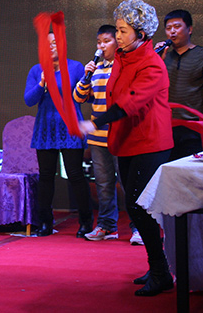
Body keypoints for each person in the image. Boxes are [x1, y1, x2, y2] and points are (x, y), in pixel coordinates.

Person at [79, 0, 174, 296]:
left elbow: (129, 102)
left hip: (149, 142)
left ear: (140, 33)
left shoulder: (152, 64)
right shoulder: (123, 56)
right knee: (136, 205)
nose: (117, 36)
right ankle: (158, 268)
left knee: (138, 206)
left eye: (122, 31)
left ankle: (161, 271)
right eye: (117, 30)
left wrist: (95, 122)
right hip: (128, 141)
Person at [74, 24, 142, 245]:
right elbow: (79, 97)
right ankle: (107, 225)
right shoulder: (96, 68)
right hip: (97, 137)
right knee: (104, 184)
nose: (101, 46)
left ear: (117, 42)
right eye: (99, 42)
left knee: (128, 184)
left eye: (106, 41)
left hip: (121, 135)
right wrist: (86, 77)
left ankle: (138, 227)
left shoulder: (124, 66)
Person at [24, 32, 92, 238]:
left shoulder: (76, 67)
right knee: (46, 176)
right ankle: (45, 222)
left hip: (70, 127)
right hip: (45, 128)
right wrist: (41, 84)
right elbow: (29, 100)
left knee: (75, 175)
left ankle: (86, 222)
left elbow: (85, 97)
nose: (51, 47)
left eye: (55, 43)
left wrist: (87, 81)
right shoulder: (37, 70)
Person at [155, 10, 203, 161]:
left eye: (177, 26)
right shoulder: (162, 58)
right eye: (168, 28)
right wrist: (156, 61)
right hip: (167, 127)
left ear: (189, 29)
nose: (172, 31)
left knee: (193, 170)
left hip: (195, 127)